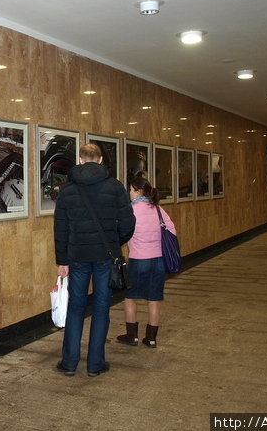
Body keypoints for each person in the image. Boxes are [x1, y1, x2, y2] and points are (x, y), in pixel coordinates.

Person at [54, 143, 135, 377]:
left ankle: (69, 363)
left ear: (80, 159)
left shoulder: (67, 190)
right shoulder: (115, 187)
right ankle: (95, 364)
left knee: (76, 308)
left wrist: (62, 260)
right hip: (104, 257)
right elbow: (128, 222)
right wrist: (114, 243)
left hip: (77, 257)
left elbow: (60, 228)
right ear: (100, 160)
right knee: (101, 308)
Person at [116, 177, 176, 349]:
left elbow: (123, 232)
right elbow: (172, 230)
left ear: (138, 191)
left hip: (138, 260)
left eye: (130, 190)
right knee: (154, 299)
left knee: (130, 297)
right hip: (158, 261)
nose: (129, 193)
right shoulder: (158, 210)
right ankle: (151, 339)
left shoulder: (131, 211)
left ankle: (131, 336)